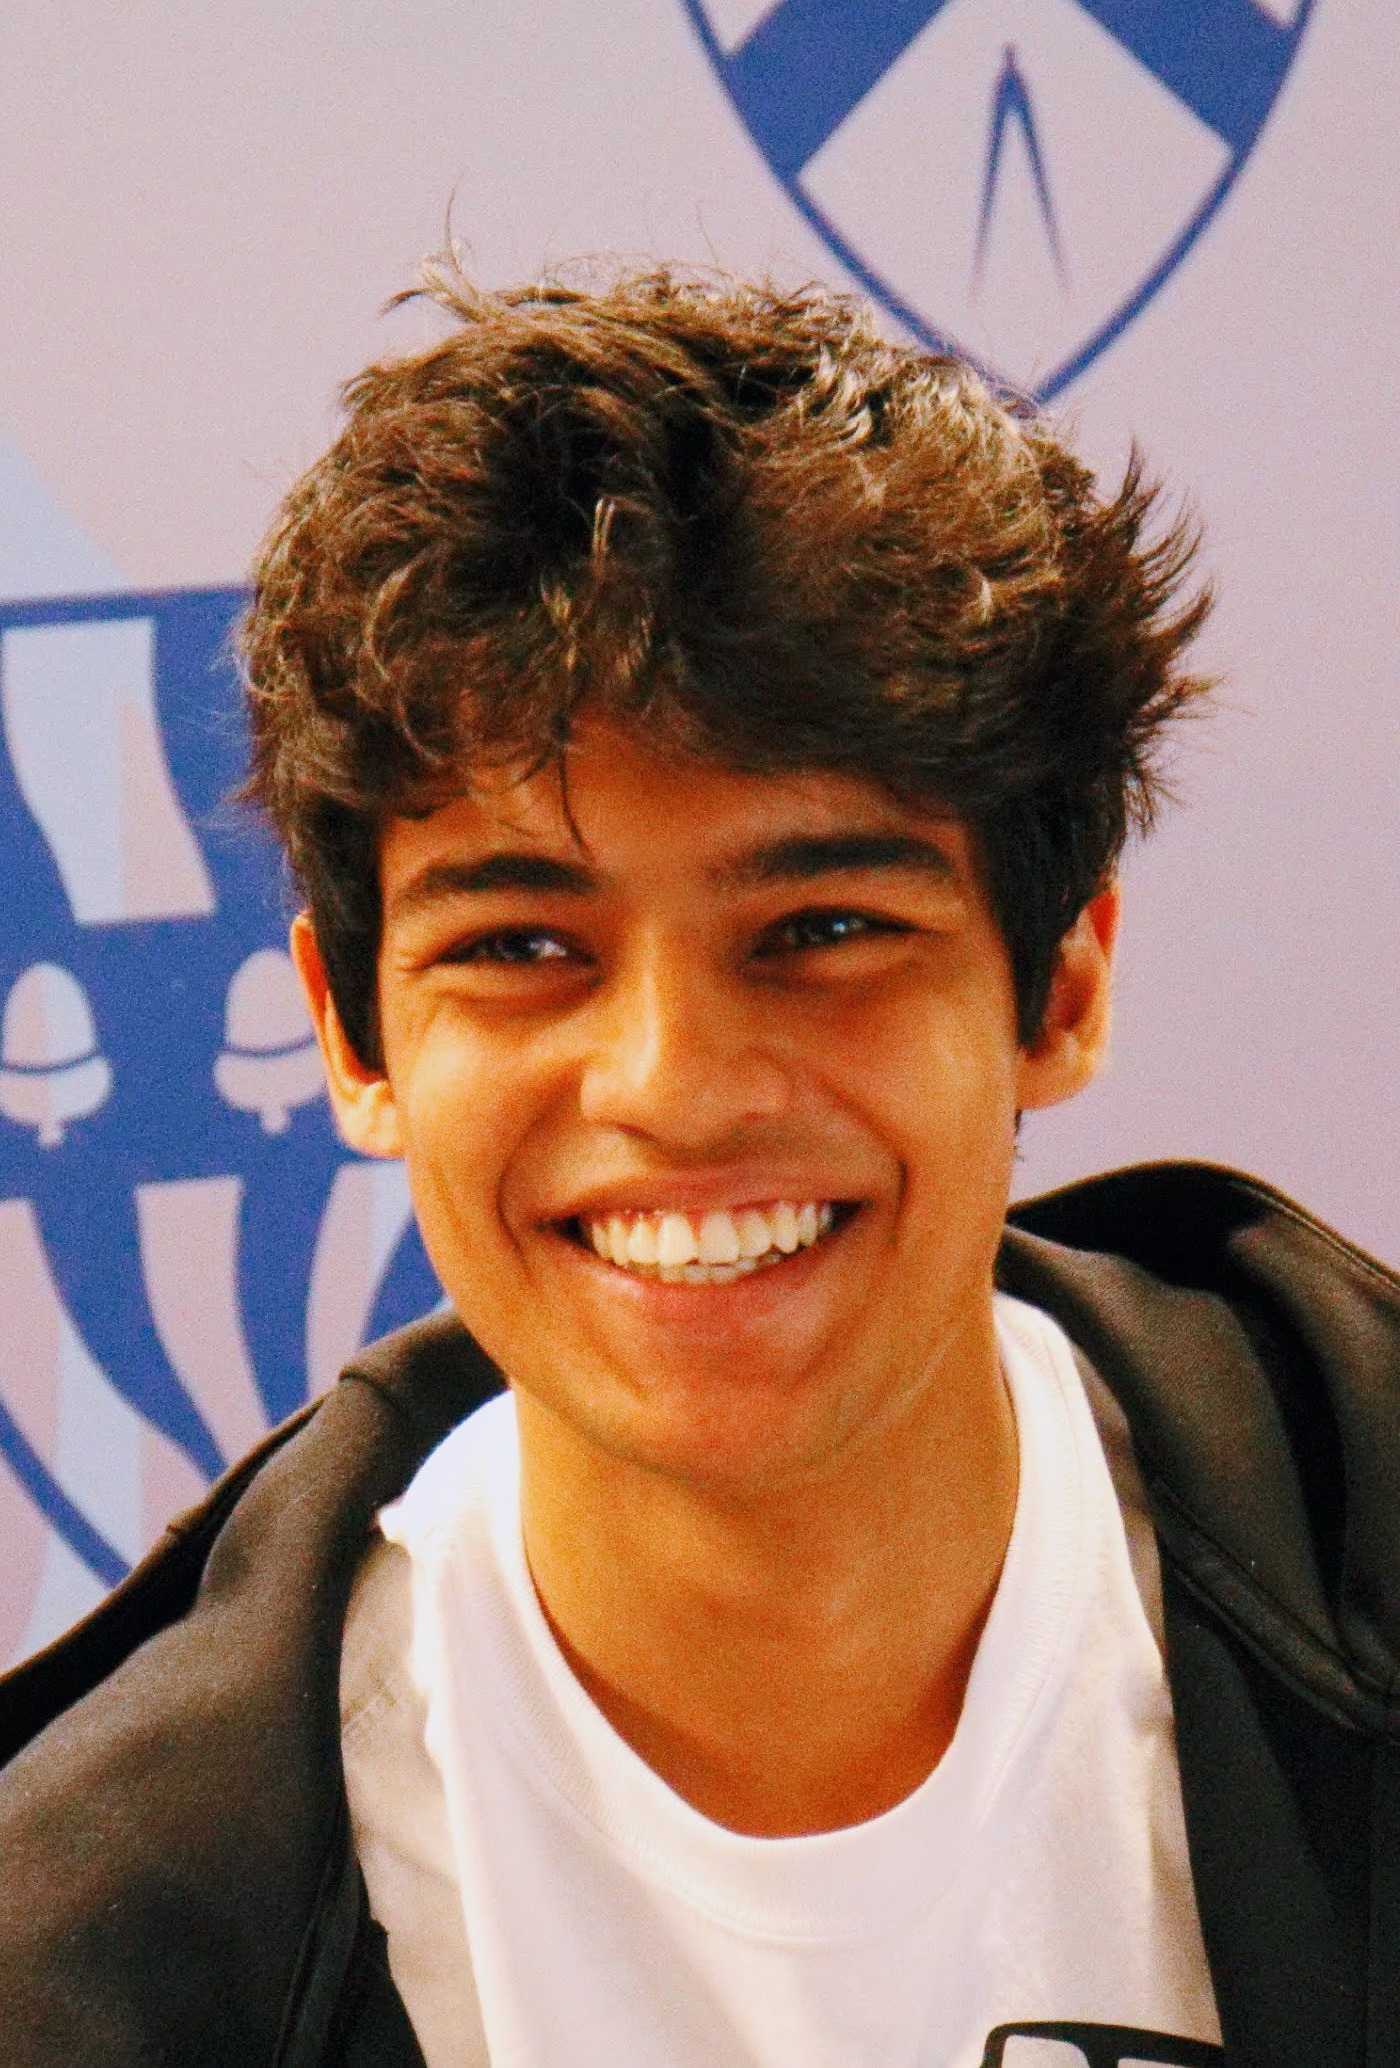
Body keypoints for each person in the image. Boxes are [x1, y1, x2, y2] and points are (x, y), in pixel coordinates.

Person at [0, 264, 1396, 2068]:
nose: (673, 1085)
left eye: (820, 928)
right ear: (354, 1039)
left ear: (1059, 985)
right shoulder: (85, 1965)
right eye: (521, 947)